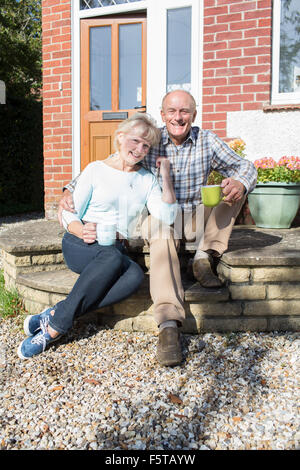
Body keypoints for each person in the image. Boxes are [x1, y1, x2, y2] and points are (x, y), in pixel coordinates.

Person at [58, 90, 257, 367]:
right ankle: (168, 324)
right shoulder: (150, 140)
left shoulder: (207, 140)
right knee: (161, 229)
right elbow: (111, 162)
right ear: (163, 115)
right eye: (172, 111)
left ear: (194, 115)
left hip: (197, 217)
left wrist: (239, 182)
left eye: (185, 111)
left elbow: (245, 166)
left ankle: (204, 256)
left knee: (236, 190)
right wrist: (70, 188)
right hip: (161, 217)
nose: (178, 117)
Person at [17, 113, 178, 360]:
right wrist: (81, 230)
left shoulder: (146, 180)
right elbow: (69, 214)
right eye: (135, 141)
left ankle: (55, 313)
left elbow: (166, 215)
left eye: (146, 146)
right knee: (114, 259)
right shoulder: (95, 170)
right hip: (81, 244)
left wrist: (165, 176)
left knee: (134, 276)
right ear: (120, 137)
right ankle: (54, 329)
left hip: (114, 249)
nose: (139, 149)